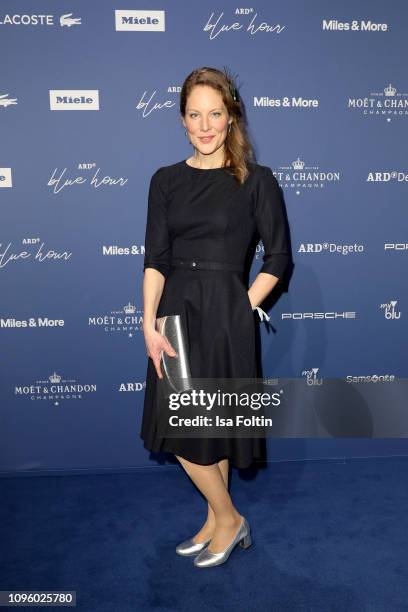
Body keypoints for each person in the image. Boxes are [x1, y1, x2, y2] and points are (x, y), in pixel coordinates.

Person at [141, 66, 292, 568]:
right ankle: (223, 517)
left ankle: (222, 519)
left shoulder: (256, 180)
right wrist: (148, 321)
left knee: (216, 424)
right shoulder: (165, 180)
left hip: (228, 315)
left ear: (231, 118)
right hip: (176, 317)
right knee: (186, 426)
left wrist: (245, 303)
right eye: (194, 115)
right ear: (182, 119)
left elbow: (279, 258)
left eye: (215, 114)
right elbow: (156, 259)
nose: (204, 125)